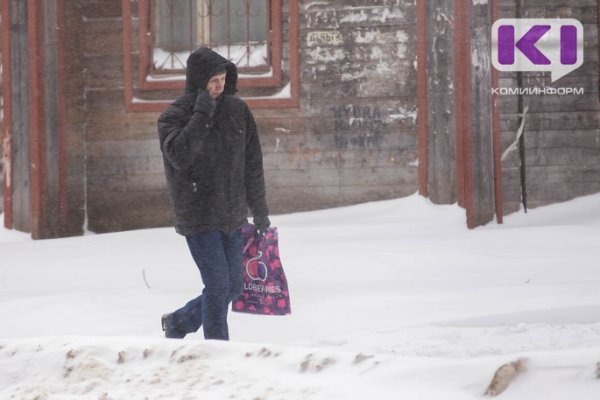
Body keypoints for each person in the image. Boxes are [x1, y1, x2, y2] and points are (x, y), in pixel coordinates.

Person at [157, 47, 270, 340]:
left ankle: (178, 323)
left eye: (222, 79)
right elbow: (180, 155)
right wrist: (202, 111)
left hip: (233, 214)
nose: (219, 86)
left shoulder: (238, 111)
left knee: (233, 287)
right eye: (212, 81)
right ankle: (218, 351)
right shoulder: (174, 116)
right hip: (198, 215)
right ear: (198, 82)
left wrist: (259, 210)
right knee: (219, 285)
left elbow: (252, 163)